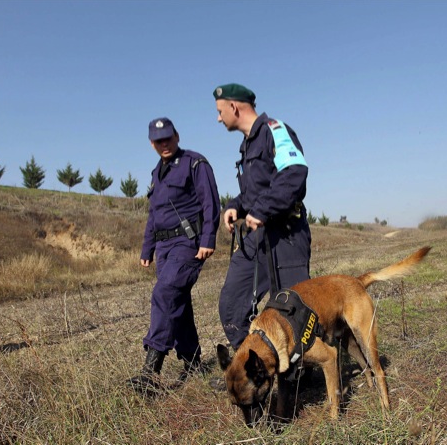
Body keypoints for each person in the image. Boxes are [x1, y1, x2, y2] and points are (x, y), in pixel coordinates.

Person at [212, 83, 312, 351]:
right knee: (232, 304)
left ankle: (300, 374)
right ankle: (252, 366)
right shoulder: (246, 146)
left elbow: (295, 173)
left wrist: (261, 210)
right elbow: (254, 193)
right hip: (258, 237)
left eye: (221, 111)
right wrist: (236, 205)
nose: (219, 118)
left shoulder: (274, 130)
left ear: (234, 107)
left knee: (292, 307)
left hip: (286, 234)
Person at [128, 117, 220, 394]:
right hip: (164, 248)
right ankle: (192, 362)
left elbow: (210, 202)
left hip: (188, 243)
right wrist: (147, 249)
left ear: (177, 136)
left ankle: (150, 373)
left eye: (168, 138)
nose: (164, 144)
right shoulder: (157, 172)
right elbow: (153, 216)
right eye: (158, 141)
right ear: (151, 144)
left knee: (165, 293)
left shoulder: (194, 163)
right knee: (178, 302)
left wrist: (207, 239)